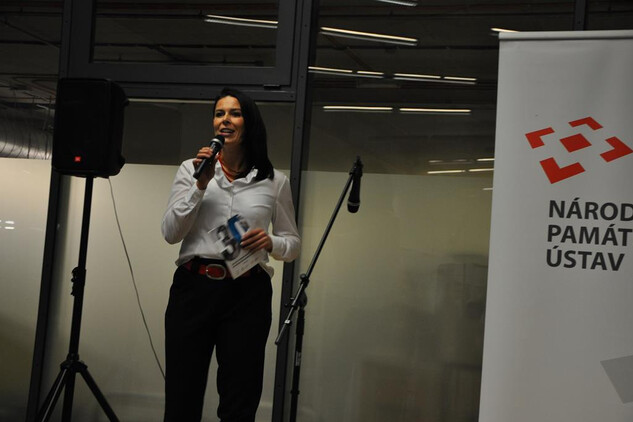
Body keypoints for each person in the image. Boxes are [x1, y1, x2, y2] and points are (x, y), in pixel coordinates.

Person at [161, 87, 301, 422]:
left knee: (240, 399)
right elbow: (170, 233)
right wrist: (200, 185)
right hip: (194, 289)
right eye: (219, 113)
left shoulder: (274, 181)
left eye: (234, 113)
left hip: (247, 293)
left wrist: (270, 242)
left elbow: (293, 243)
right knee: (182, 395)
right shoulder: (191, 169)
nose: (225, 120)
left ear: (249, 122)